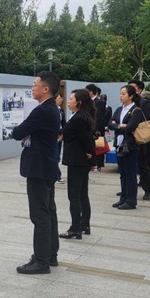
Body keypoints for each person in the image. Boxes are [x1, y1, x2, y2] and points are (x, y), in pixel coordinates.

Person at [12, 71, 61, 274]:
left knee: (40, 216)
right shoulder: (52, 108)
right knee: (49, 213)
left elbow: (18, 133)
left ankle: (41, 262)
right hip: (47, 167)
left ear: (45, 88)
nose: (32, 88)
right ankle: (50, 255)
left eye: (35, 84)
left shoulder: (42, 111)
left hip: (39, 169)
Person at [59, 89, 96, 239]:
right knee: (82, 194)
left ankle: (75, 228)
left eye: (71, 98)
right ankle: (84, 224)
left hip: (77, 160)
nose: (68, 101)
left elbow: (86, 139)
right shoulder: (80, 116)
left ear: (79, 102)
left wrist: (91, 155)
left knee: (74, 195)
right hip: (80, 160)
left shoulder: (79, 118)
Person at [108, 85, 143, 210]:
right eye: (120, 93)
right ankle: (123, 198)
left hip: (130, 145)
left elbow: (131, 127)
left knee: (130, 173)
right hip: (119, 144)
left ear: (131, 96)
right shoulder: (119, 109)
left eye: (123, 94)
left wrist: (118, 125)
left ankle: (131, 200)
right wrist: (119, 125)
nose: (121, 96)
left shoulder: (136, 110)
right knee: (122, 173)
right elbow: (110, 124)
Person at [128, 79, 150, 199]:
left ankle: (148, 189)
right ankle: (128, 189)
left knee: (144, 164)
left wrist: (132, 124)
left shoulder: (144, 103)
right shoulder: (128, 103)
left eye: (132, 88)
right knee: (131, 165)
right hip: (131, 138)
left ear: (139, 90)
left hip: (143, 138)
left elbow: (149, 121)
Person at [86, 84, 106, 171]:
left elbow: (100, 117)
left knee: (99, 146)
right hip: (89, 128)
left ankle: (98, 164)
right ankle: (92, 163)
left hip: (97, 129)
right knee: (91, 146)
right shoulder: (87, 102)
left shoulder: (100, 102)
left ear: (91, 92)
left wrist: (98, 129)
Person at [54, 93, 64, 183]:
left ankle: (56, 174)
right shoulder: (52, 110)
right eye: (59, 98)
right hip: (54, 136)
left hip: (60, 135)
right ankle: (57, 175)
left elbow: (63, 123)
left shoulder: (61, 109)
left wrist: (63, 134)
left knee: (57, 156)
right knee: (55, 156)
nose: (61, 100)